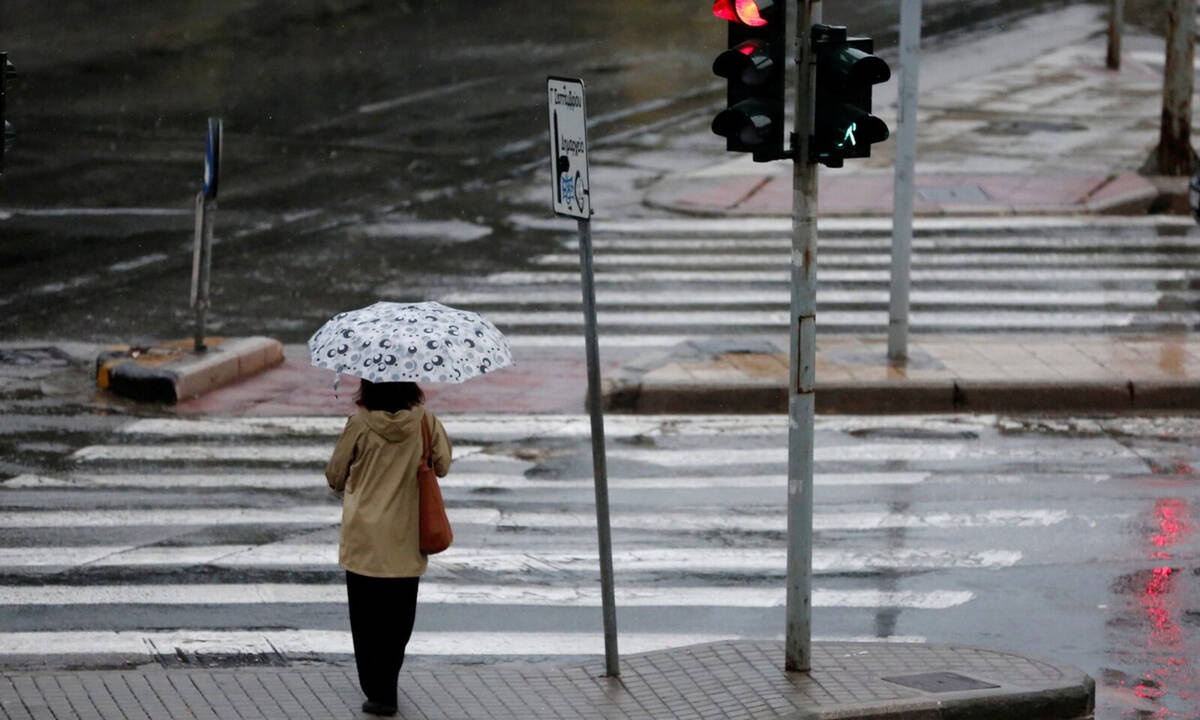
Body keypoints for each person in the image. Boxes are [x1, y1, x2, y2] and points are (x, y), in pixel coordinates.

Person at [326, 380, 452, 718]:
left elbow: (335, 475)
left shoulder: (360, 424)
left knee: (365, 621)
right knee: (398, 620)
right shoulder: (425, 421)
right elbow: (442, 465)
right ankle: (387, 682)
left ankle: (378, 691)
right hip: (407, 537)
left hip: (364, 539)